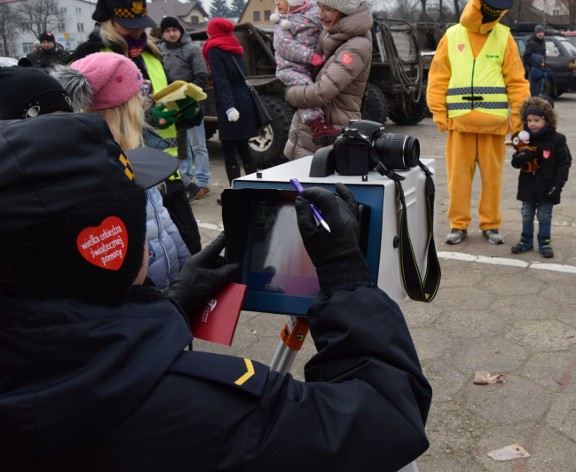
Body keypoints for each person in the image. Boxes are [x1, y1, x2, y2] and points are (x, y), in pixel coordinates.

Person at [0, 113, 431, 470]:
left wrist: (166, 308)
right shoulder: (203, 413)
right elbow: (387, 419)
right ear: (113, 247)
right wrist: (345, 276)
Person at [73, 0, 202, 254]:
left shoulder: (152, 54)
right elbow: (82, 120)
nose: (137, 31)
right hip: (122, 175)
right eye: (127, 24)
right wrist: (150, 118)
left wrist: (186, 113)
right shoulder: (91, 56)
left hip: (167, 171)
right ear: (107, 22)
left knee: (190, 247)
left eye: (140, 23)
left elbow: (165, 100)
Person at [52, 52, 190, 289]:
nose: (146, 102)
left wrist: (188, 269)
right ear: (124, 108)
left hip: (168, 288)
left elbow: (163, 223)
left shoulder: (135, 158)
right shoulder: (101, 177)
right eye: (141, 93)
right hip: (147, 297)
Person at [426, 0, 529, 245]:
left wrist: (519, 123)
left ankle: (491, 224)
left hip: (493, 125)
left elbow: (517, 82)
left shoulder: (504, 37)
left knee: (492, 179)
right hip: (459, 124)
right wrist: (439, 113)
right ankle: (458, 225)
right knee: (458, 179)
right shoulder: (452, 35)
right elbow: (438, 77)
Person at [283, 0, 373, 161]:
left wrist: (291, 93)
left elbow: (323, 91)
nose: (320, 15)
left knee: (319, 190)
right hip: (312, 135)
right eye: (319, 7)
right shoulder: (330, 34)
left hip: (332, 136)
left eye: (328, 9)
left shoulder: (356, 46)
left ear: (345, 10)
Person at [271, 0, 340, 145]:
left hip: (311, 62)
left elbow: (325, 27)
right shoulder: (281, 22)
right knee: (305, 89)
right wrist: (310, 56)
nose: (277, 2)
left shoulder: (315, 12)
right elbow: (285, 46)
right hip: (290, 67)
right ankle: (317, 126)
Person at [202, 17, 260, 192]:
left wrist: (228, 106)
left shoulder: (214, 49)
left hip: (231, 102)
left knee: (229, 150)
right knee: (244, 147)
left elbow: (221, 81)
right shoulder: (234, 45)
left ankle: (236, 193)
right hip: (244, 98)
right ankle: (253, 188)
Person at [509, 96, 571, 258]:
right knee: (527, 214)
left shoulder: (557, 139)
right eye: (529, 120)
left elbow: (564, 163)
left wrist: (557, 185)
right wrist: (522, 155)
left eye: (536, 120)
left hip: (548, 186)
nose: (532, 124)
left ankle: (544, 241)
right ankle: (526, 240)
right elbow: (515, 163)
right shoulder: (524, 141)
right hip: (528, 185)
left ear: (547, 120)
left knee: (544, 215)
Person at [158, 16, 211, 201]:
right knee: (181, 148)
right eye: (167, 31)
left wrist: (188, 96)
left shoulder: (192, 50)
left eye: (174, 30)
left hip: (191, 105)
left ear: (180, 31)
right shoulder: (158, 51)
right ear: (163, 33)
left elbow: (202, 75)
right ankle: (186, 182)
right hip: (170, 106)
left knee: (198, 145)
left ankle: (203, 182)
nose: (172, 34)